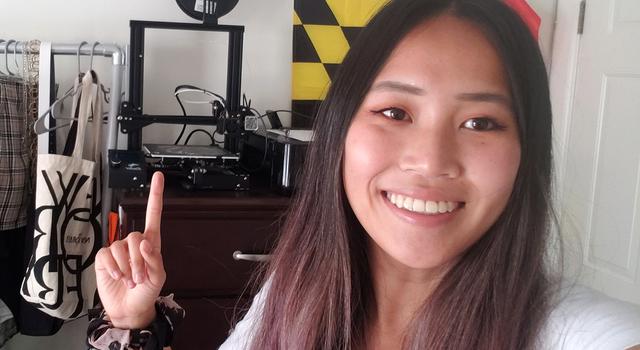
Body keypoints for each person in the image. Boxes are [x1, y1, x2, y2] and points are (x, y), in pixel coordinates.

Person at [90, 0, 640, 349]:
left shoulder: (580, 333)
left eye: (481, 121)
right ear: (339, 132)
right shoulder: (295, 291)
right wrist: (134, 327)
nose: (430, 160)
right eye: (395, 112)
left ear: (527, 151)